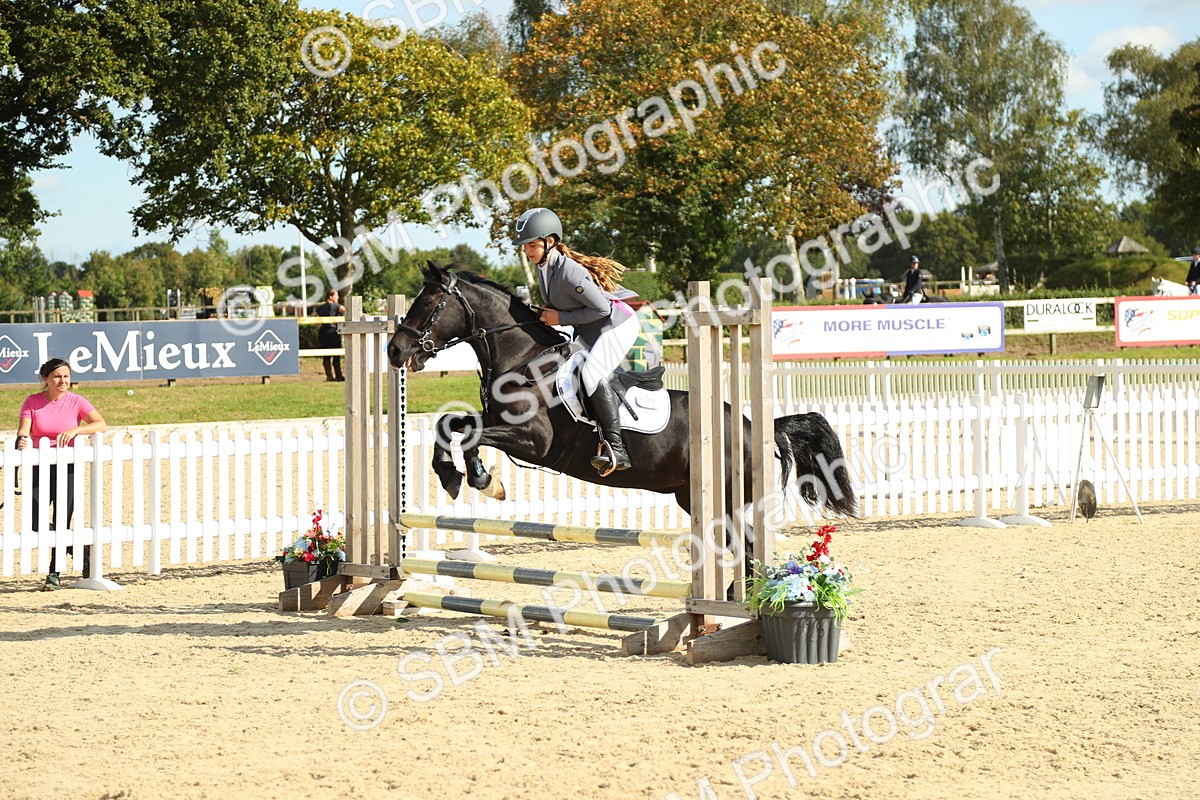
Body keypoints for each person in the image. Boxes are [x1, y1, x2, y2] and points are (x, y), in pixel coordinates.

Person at [512, 207, 643, 475]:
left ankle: (616, 449)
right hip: (592, 329)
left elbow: (602, 310)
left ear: (550, 242)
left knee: (592, 374)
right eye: (525, 245)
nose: (527, 250)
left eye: (532, 244)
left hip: (616, 326)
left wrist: (559, 318)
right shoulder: (543, 267)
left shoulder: (569, 271)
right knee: (560, 367)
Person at [15, 358, 108, 590]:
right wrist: (22, 441)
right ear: (45, 379)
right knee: (35, 521)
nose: (63, 381)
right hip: (38, 467)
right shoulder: (32, 402)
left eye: (66, 376)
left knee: (61, 521)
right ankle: (77, 548)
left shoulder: (76, 401)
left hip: (68, 468)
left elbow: (101, 424)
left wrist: (76, 429)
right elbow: (23, 431)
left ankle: (54, 574)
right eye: (57, 376)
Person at [314, 289, 346, 381]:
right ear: (331, 297)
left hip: (323, 332)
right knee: (336, 355)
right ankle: (338, 375)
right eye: (336, 295)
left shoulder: (320, 307)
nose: (338, 297)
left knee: (326, 355)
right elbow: (348, 311)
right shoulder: (336, 306)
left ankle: (329, 376)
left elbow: (313, 315)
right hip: (333, 332)